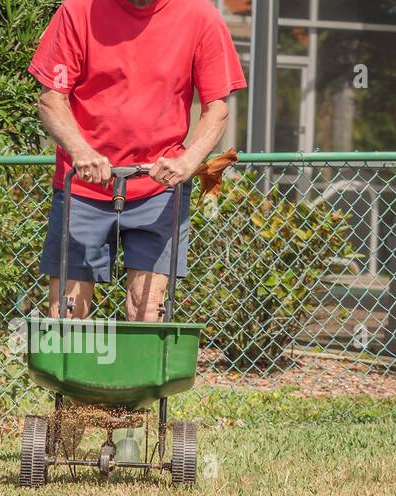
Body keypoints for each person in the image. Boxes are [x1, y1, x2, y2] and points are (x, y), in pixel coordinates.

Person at [30, 0, 246, 321]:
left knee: (147, 309)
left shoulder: (201, 16)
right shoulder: (77, 11)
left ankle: (143, 357)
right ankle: (72, 356)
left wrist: (187, 163)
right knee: (67, 311)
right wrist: (82, 151)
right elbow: (51, 99)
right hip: (85, 187)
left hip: (158, 189)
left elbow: (217, 109)